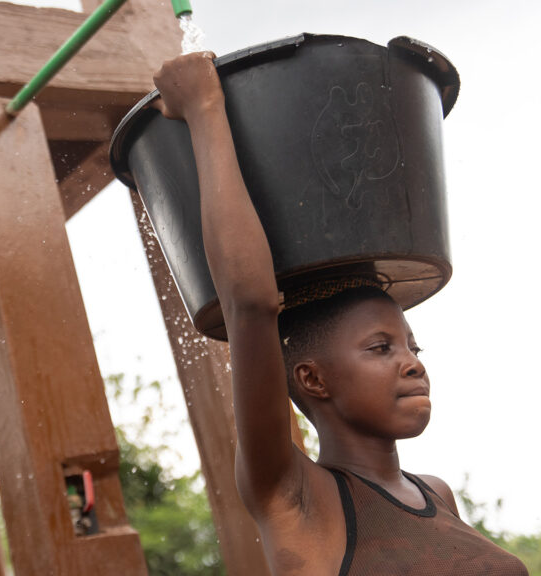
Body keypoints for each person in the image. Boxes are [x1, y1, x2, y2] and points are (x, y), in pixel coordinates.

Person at [152, 51, 528, 576]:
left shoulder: (437, 494)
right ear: (312, 378)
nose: (413, 364)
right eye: (381, 348)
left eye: (411, 348)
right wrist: (205, 108)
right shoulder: (294, 495)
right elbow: (252, 305)